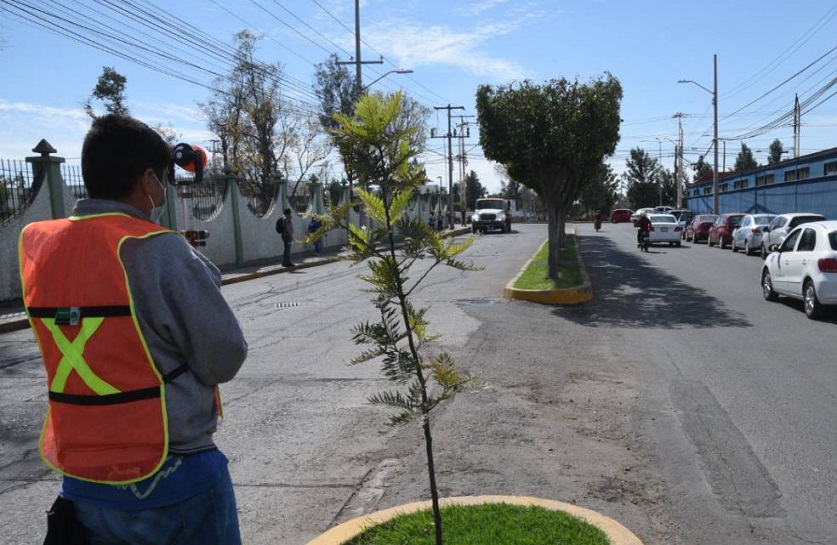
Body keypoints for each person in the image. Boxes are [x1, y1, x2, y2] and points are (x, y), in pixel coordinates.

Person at [18, 114, 248, 545]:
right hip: (171, 474)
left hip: (83, 477)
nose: (163, 190)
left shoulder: (44, 249)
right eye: (163, 179)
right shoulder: (159, 249)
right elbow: (224, 355)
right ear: (148, 180)